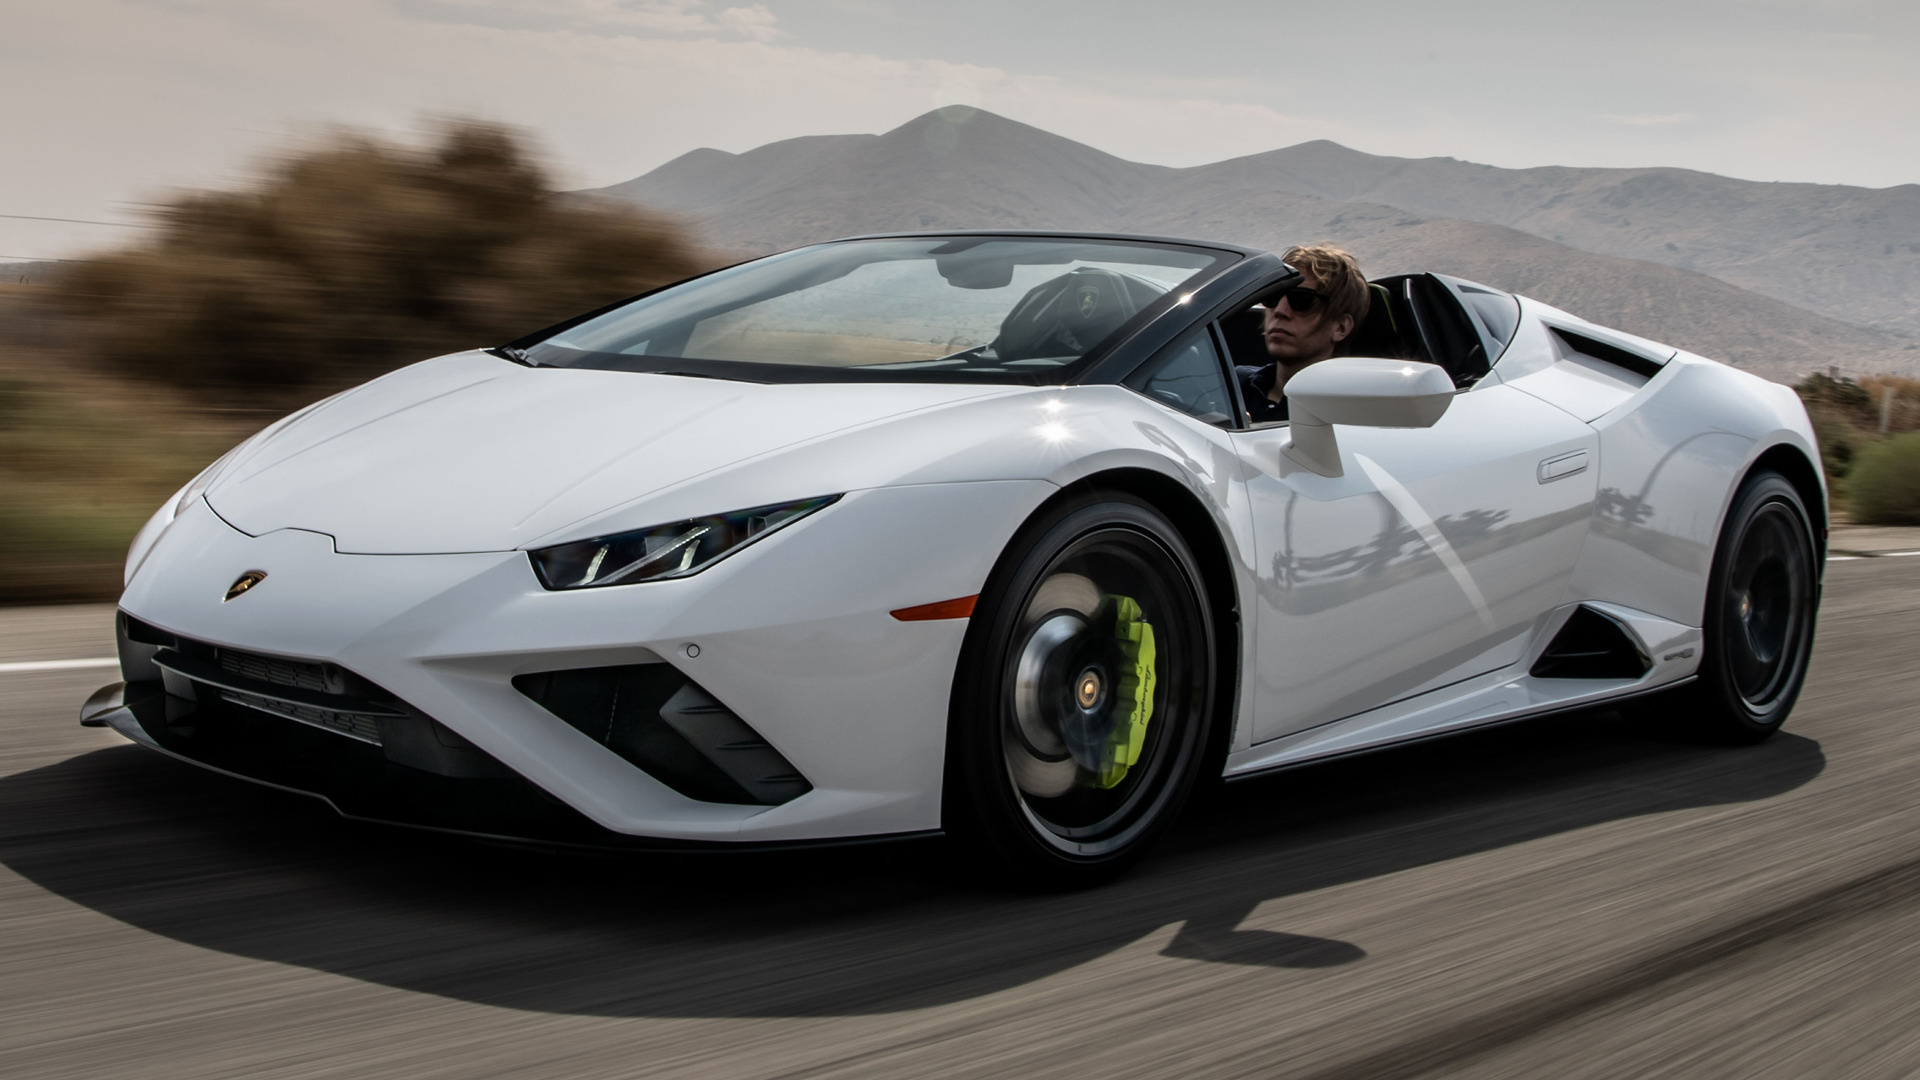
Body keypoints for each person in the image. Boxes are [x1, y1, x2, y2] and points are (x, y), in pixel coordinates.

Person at [1236, 244, 1370, 423]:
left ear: (1341, 327)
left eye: (1302, 300)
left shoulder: (1349, 415)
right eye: (1273, 297)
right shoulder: (1229, 385)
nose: (1280, 311)